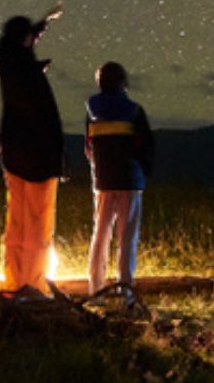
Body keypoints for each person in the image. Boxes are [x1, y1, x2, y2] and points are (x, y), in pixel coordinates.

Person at [0, 6, 65, 294]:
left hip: (12, 152)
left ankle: (14, 281)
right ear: (24, 41)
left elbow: (20, 46)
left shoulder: (5, 64)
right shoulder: (28, 74)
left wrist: (41, 25)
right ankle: (33, 285)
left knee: (17, 224)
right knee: (38, 226)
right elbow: (42, 116)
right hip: (39, 157)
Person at [85, 61, 155, 299]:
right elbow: (145, 147)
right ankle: (125, 293)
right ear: (123, 82)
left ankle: (96, 290)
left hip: (103, 180)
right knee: (127, 239)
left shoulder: (91, 109)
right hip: (130, 180)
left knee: (100, 235)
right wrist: (146, 171)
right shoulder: (134, 110)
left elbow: (88, 147)